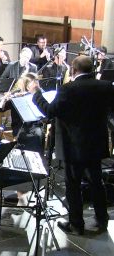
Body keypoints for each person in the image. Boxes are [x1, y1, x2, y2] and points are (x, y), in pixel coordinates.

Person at [30, 55, 114, 235]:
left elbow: (50, 111)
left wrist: (36, 94)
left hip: (73, 147)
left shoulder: (67, 89)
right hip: (95, 145)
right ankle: (102, 220)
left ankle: (76, 224)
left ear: (73, 70)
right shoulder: (106, 87)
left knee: (73, 185)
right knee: (97, 183)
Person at [0, 73, 44, 154]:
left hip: (35, 126)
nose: (37, 87)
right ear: (27, 86)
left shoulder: (38, 95)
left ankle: (37, 157)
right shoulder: (16, 97)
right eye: (35, 85)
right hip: (20, 128)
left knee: (38, 134)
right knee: (32, 136)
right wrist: (4, 99)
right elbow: (0, 108)